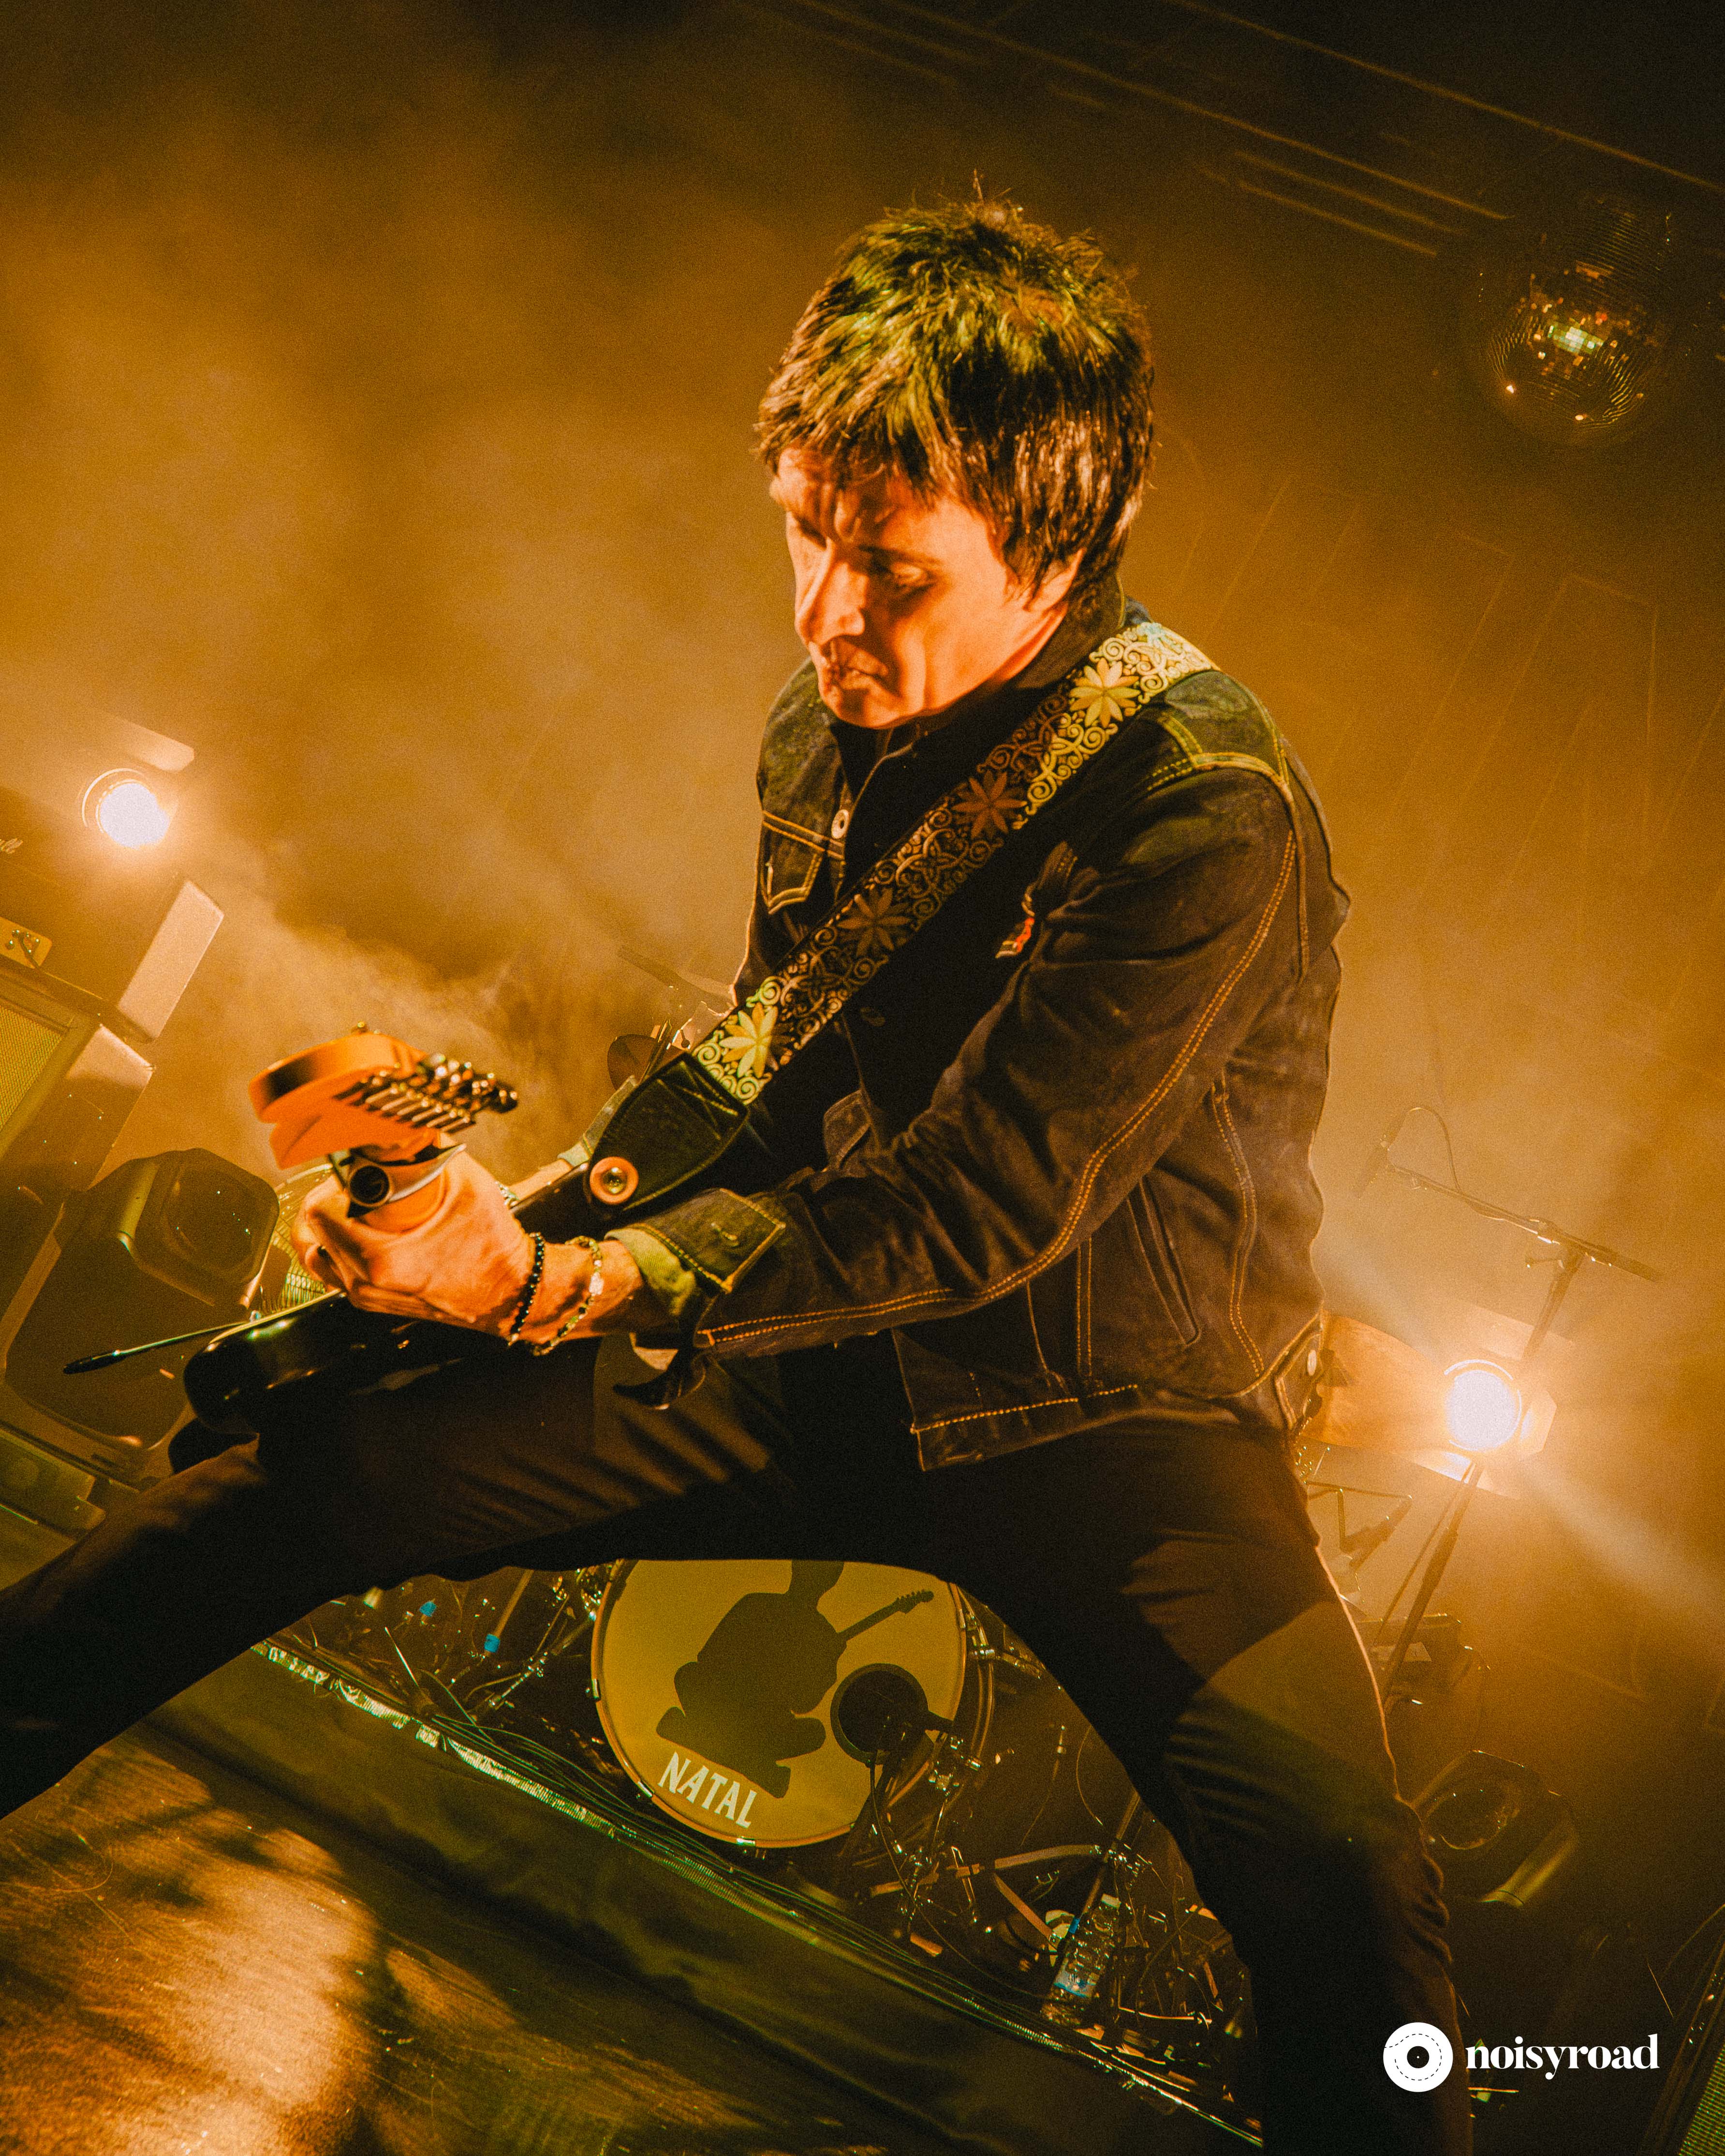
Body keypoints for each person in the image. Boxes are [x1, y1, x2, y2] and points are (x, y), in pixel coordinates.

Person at [0, 198, 1468, 2153]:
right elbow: (782, 1069)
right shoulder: (828, 723)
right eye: (802, 530)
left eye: (889, 565)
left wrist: (541, 1288)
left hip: (1108, 1412)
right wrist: (490, 1225)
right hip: (806, 1338)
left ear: (1062, 535)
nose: (824, 615)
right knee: (297, 1480)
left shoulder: (1201, 809)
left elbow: (982, 1200)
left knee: (1348, 1899)